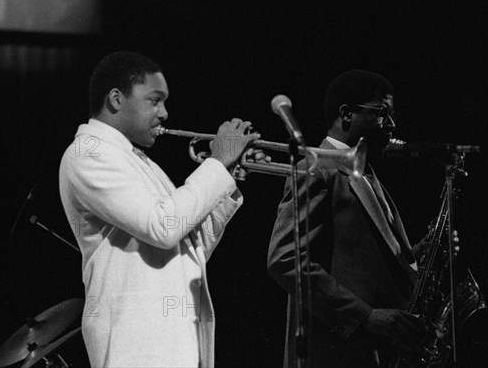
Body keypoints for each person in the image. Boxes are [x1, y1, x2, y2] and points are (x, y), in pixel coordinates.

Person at [59, 51, 265, 367]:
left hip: (172, 338)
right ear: (116, 99)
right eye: (155, 100)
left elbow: (191, 249)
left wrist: (227, 179)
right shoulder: (88, 153)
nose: (164, 113)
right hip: (137, 343)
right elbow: (164, 227)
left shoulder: (141, 162)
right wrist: (217, 162)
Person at [267, 70, 426, 367]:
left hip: (373, 352)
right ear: (346, 114)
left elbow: (364, 260)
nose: (391, 124)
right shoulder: (316, 168)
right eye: (383, 113)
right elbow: (285, 259)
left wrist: (419, 252)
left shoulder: (366, 174)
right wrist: (364, 316)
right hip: (337, 352)